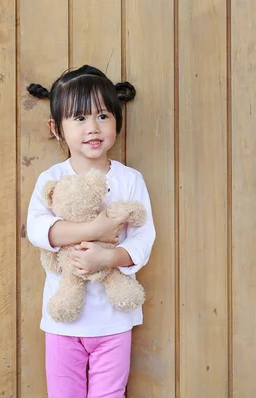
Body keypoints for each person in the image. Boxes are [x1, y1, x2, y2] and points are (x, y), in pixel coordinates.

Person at [25, 65, 156, 398]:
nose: (93, 127)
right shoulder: (50, 179)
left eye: (102, 116)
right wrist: (94, 228)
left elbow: (143, 239)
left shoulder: (130, 180)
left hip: (114, 322)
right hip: (62, 322)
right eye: (79, 119)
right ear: (57, 129)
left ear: (117, 121)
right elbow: (40, 230)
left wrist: (108, 258)